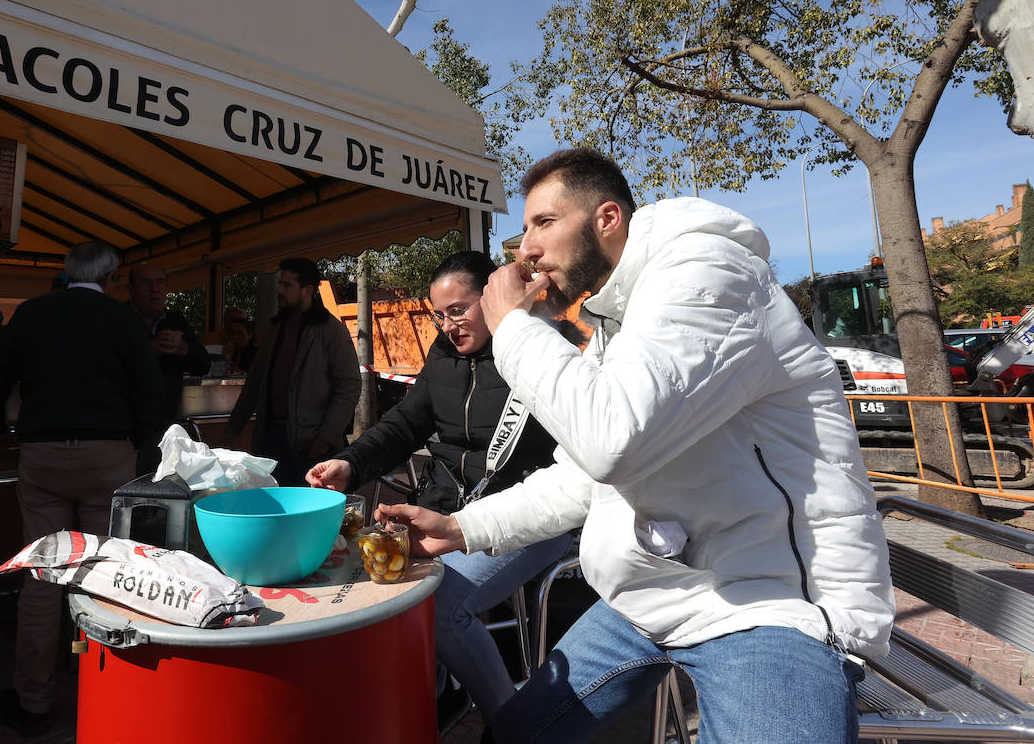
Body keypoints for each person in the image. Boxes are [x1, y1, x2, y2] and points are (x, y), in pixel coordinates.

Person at [382, 148, 894, 744]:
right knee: (514, 734)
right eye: (525, 230)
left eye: (544, 223)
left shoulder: (709, 275)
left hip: (768, 603)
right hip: (654, 594)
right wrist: (462, 528)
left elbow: (610, 443)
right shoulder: (619, 315)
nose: (526, 249)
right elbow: (582, 476)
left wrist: (514, 327)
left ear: (607, 219)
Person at [306, 250, 575, 727]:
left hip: (525, 519)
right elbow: (404, 424)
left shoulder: (542, 350)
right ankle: (434, 692)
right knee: (370, 576)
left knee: (438, 601)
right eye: (439, 314)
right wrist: (348, 464)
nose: (448, 325)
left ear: (492, 298)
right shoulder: (443, 354)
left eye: (459, 310)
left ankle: (512, 727)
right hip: (443, 510)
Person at [0, 241, 163, 737]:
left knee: (42, 577)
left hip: (43, 456)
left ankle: (34, 700)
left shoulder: (32, 314)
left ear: (66, 273)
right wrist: (140, 448)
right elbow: (149, 392)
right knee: (104, 575)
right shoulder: (124, 322)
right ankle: (107, 686)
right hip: (109, 457)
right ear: (111, 278)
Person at [225, 258, 359, 485]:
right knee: (272, 510)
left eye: (287, 285)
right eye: (279, 284)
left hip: (310, 447)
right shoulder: (275, 329)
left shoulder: (330, 331)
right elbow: (255, 383)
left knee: (306, 514)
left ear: (308, 290)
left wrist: (325, 437)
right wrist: (232, 430)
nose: (279, 290)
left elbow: (350, 386)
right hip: (271, 442)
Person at [127, 261, 211, 465]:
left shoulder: (175, 320)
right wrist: (148, 350)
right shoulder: (119, 318)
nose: (155, 289)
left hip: (164, 428)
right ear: (131, 289)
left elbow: (203, 365)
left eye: (160, 282)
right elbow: (105, 367)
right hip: (125, 431)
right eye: (146, 283)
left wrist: (183, 348)